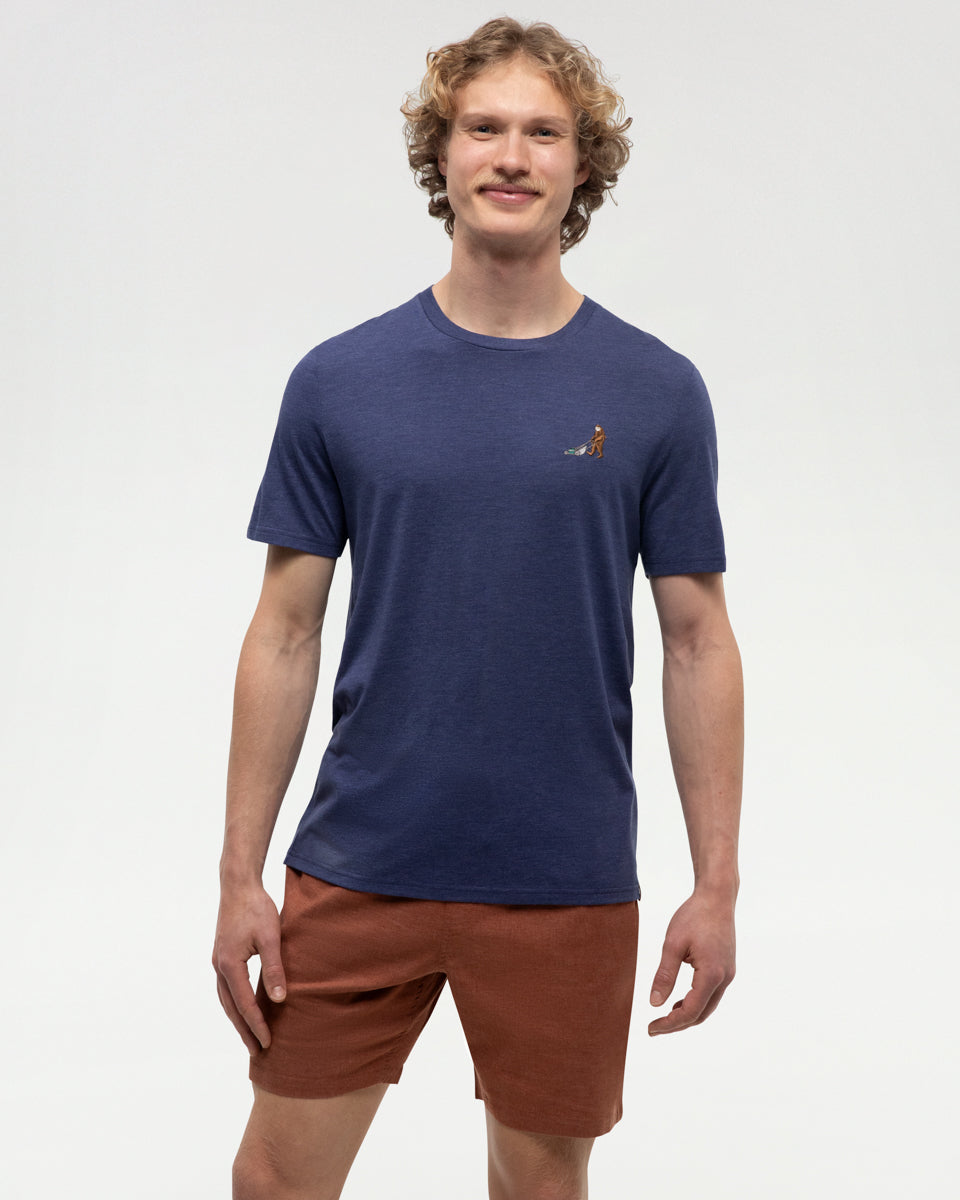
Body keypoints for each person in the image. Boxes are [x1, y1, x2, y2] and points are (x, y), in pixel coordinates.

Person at [213, 16, 743, 1200]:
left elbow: (698, 640)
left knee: (540, 1188)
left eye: (543, 132)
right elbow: (284, 631)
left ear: (582, 163)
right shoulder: (340, 381)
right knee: (275, 1181)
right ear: (441, 155)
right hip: (360, 862)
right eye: (484, 128)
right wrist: (239, 874)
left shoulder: (655, 391)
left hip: (564, 875)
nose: (511, 156)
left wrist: (717, 883)